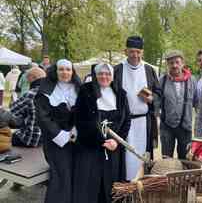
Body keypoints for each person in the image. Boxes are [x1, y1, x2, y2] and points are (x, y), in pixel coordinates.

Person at [73, 63, 130, 203]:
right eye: (100, 73)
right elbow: (80, 119)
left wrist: (116, 141)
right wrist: (100, 141)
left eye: (107, 74)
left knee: (111, 183)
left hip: (113, 147)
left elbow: (126, 121)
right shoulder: (86, 90)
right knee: (90, 184)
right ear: (95, 75)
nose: (104, 76)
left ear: (112, 76)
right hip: (90, 146)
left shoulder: (121, 94)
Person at [114, 36, 161, 181]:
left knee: (143, 155)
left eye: (138, 52)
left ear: (142, 52)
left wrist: (152, 99)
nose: (135, 55)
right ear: (125, 51)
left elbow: (158, 94)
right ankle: (125, 185)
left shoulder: (149, 70)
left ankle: (143, 184)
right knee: (125, 156)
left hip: (144, 122)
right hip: (124, 122)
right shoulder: (117, 70)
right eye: (131, 51)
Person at [35, 59, 81, 203]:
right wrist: (59, 135)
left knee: (76, 172)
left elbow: (84, 113)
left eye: (68, 69)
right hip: (54, 139)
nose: (65, 73)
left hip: (75, 138)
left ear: (72, 72)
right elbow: (43, 118)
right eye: (61, 69)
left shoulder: (78, 88)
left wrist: (76, 130)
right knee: (62, 174)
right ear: (55, 71)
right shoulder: (46, 90)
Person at [159, 50, 197, 159]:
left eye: (177, 62)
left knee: (185, 159)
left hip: (185, 127)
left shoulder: (192, 80)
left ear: (183, 63)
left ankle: (183, 177)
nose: (174, 65)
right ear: (167, 65)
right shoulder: (162, 80)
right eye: (171, 63)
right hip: (167, 126)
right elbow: (157, 101)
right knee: (166, 159)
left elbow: (197, 103)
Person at [8, 67, 46, 147]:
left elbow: (12, 111)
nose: (27, 81)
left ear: (33, 78)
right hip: (47, 140)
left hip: (31, 139)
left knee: (4, 136)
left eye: (27, 78)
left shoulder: (31, 94)